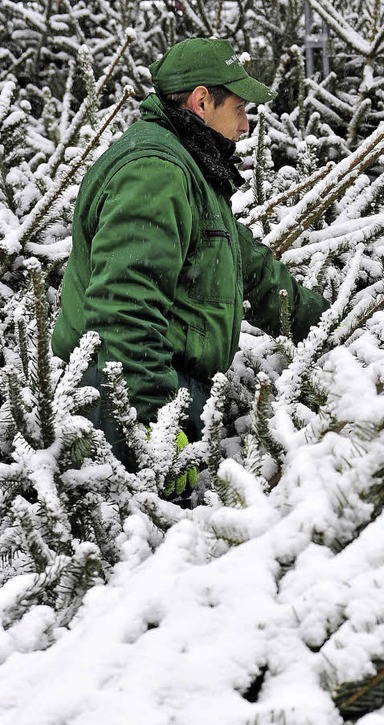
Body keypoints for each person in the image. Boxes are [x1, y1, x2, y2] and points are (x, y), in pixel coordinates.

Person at [52, 38, 328, 472]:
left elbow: (250, 267)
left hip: (171, 390)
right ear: (202, 101)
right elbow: (125, 308)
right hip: (122, 407)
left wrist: (328, 325)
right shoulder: (155, 172)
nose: (246, 126)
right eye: (239, 108)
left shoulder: (189, 166)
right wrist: (149, 426)